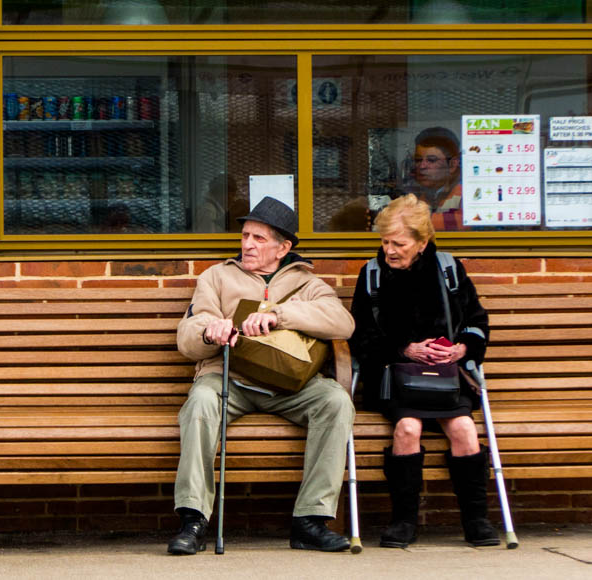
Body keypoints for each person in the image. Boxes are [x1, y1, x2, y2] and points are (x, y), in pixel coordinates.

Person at [169, 196, 356, 555]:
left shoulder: (307, 282)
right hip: (229, 379)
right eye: (245, 236)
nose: (247, 245)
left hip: (291, 384)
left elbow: (342, 322)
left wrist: (279, 315)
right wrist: (211, 331)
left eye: (259, 239)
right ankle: (193, 519)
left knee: (335, 402)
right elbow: (187, 336)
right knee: (200, 403)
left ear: (283, 248)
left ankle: (310, 521)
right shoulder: (217, 277)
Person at [348, 194, 499, 548]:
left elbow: (477, 322)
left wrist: (463, 349)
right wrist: (405, 348)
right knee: (407, 428)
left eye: (398, 243)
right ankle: (403, 521)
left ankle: (476, 519)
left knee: (463, 428)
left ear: (422, 241)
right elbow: (361, 337)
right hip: (396, 379)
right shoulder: (371, 276)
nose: (389, 250)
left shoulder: (448, 270)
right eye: (384, 242)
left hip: (446, 378)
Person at [411, 127, 464, 231]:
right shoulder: (420, 197)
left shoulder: (465, 195)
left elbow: (461, 223)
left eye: (431, 160)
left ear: (453, 165)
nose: (422, 166)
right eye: (418, 160)